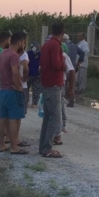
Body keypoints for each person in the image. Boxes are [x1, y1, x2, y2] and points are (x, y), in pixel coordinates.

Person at [0, 31, 28, 154]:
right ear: (20, 42)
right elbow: (15, 73)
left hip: (2, 90)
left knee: (2, 118)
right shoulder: (14, 56)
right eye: (24, 42)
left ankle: (2, 145)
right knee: (14, 119)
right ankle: (14, 147)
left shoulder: (3, 53)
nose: (24, 45)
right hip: (12, 91)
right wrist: (18, 87)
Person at [38, 24, 65, 158]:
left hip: (47, 82)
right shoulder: (55, 45)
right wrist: (63, 62)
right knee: (55, 117)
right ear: (62, 33)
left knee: (48, 117)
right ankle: (47, 148)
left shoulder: (46, 45)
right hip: (53, 83)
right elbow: (56, 64)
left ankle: (43, 146)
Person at [19, 43, 30, 112]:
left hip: (9, 85)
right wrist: (24, 78)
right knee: (21, 112)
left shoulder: (7, 52)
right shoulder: (24, 55)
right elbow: (25, 68)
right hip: (21, 85)